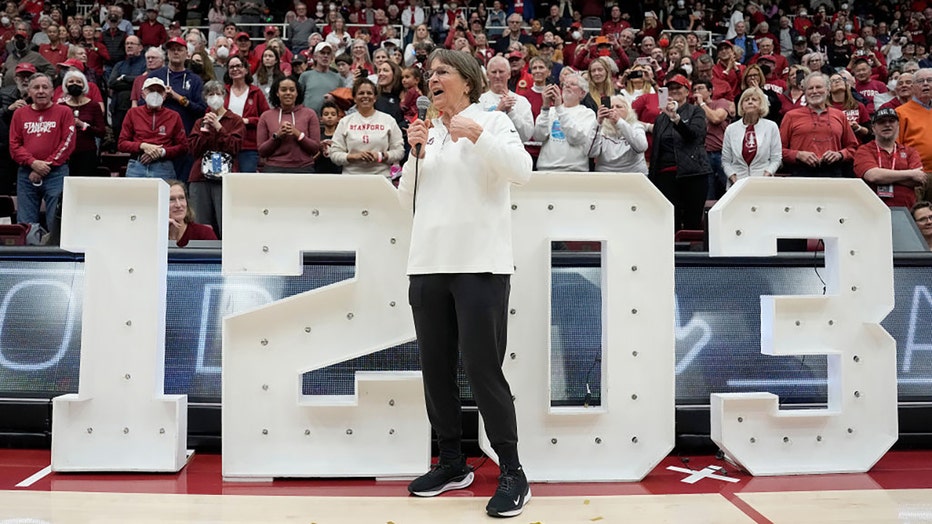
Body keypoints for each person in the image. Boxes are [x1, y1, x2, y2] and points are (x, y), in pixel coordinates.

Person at [399, 47, 532, 519]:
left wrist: (476, 135)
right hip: (428, 264)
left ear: (468, 81)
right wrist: (413, 154)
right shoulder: (427, 133)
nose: (431, 79)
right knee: (435, 370)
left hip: (481, 264)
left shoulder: (492, 121)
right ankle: (453, 462)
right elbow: (405, 198)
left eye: (442, 72)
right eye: (429, 73)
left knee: (482, 371)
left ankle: (512, 471)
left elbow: (522, 172)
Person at [8, 72, 75, 233]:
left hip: (56, 173)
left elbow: (68, 142)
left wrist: (46, 165)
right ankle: (27, 257)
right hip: (26, 173)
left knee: (57, 221)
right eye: (36, 87)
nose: (41, 91)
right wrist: (33, 163)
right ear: (28, 92)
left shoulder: (64, 112)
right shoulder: (19, 113)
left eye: (45, 87)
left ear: (53, 91)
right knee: (26, 223)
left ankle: (55, 254)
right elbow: (14, 144)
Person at [648, 74, 711, 231]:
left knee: (692, 221)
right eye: (670, 89)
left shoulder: (696, 112)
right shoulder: (661, 119)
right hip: (665, 175)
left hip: (693, 173)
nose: (674, 91)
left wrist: (676, 119)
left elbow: (695, 136)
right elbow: (656, 149)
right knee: (669, 222)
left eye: (678, 88)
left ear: (687, 91)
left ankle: (693, 254)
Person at [188, 81, 244, 237]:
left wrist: (219, 128)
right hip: (200, 178)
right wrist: (205, 130)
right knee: (200, 224)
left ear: (224, 97)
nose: (215, 98)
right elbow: (193, 150)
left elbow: (235, 147)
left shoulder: (235, 120)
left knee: (225, 223)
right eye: (210, 94)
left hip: (225, 178)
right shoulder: (199, 122)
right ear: (205, 98)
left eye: (218, 94)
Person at [780, 72, 859, 178]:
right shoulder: (791, 116)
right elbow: (778, 150)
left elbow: (853, 148)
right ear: (804, 92)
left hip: (833, 174)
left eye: (818, 87)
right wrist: (798, 155)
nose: (814, 91)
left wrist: (839, 155)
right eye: (810, 88)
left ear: (828, 90)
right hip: (800, 174)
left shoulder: (839, 115)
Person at [329, 77, 404, 178]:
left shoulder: (388, 120)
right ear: (354, 98)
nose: (365, 96)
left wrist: (380, 156)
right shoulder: (344, 122)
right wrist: (354, 157)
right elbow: (334, 153)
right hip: (351, 178)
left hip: (381, 178)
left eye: (369, 93)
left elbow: (399, 151)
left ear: (375, 97)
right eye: (361, 93)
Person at [853, 108, 926, 209]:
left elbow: (918, 179)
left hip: (906, 212)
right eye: (881, 122)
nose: (887, 125)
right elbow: (873, 176)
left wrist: (884, 176)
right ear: (873, 128)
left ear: (898, 125)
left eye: (891, 121)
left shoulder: (910, 152)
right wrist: (910, 174)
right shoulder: (864, 150)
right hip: (873, 211)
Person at [119, 77, 188, 179]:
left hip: (163, 166)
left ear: (165, 95)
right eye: (151, 90)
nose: (155, 94)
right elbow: (122, 144)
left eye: (159, 91)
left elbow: (183, 147)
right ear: (143, 94)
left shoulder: (174, 116)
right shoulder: (132, 113)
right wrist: (143, 146)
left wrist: (162, 152)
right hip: (137, 165)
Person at [535, 70, 597, 172]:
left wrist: (559, 108)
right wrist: (545, 107)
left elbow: (576, 138)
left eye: (573, 84)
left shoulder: (587, 114)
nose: (567, 86)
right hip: (545, 169)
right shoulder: (550, 111)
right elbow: (538, 136)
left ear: (582, 93)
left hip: (574, 170)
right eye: (565, 84)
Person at [722, 86, 782, 189]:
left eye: (754, 99)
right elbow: (726, 161)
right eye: (746, 100)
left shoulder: (771, 127)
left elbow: (776, 158)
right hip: (737, 184)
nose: (750, 102)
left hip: (763, 183)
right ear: (741, 105)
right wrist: (734, 179)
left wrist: (766, 176)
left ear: (761, 104)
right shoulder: (731, 129)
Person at [256, 76, 320, 173]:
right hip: (274, 168)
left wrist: (297, 134)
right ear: (277, 93)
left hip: (303, 168)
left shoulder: (310, 114)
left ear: (297, 93)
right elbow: (262, 151)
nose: (288, 93)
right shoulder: (266, 116)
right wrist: (277, 136)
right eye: (283, 90)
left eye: (292, 90)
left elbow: (315, 148)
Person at [223, 55, 269, 173]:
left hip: (248, 146)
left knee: (246, 184)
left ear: (246, 70)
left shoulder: (256, 92)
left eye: (238, 66)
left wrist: (247, 121)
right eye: (231, 67)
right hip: (225, 145)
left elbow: (267, 118)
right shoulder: (222, 92)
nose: (235, 69)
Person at [60, 70, 105, 178]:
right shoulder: (61, 106)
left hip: (87, 152)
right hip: (66, 154)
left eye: (78, 82)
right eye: (71, 81)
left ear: (84, 85)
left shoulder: (93, 105)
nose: (74, 84)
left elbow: (101, 132)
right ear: (66, 84)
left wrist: (83, 125)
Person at [896, 68, 932, 202]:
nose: (926, 84)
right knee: (917, 215)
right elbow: (896, 146)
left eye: (929, 80)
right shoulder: (901, 112)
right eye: (921, 81)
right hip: (916, 174)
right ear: (913, 87)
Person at [479, 56, 534, 143]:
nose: (497, 76)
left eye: (501, 72)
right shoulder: (479, 101)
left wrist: (511, 112)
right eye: (493, 72)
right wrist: (498, 111)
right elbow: (477, 132)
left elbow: (527, 135)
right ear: (487, 75)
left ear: (509, 74)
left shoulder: (521, 101)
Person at [589, 94, 648, 174]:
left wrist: (619, 122)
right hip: (606, 173)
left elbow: (641, 147)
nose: (614, 110)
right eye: (611, 107)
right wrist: (598, 122)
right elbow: (592, 153)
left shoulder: (636, 126)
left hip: (633, 173)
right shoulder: (600, 128)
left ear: (628, 110)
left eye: (618, 106)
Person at [109, 35, 146, 140]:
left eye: (132, 43)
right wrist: (133, 81)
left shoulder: (145, 64)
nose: (129, 46)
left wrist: (124, 77)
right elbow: (111, 83)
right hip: (118, 107)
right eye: (127, 44)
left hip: (137, 107)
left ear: (140, 47)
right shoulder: (119, 65)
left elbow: (142, 81)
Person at [168, 180, 218, 247]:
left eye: (181, 198)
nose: (178, 205)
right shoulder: (153, 235)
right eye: (171, 199)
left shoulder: (204, 233)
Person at [298, 42, 341, 114]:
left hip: (330, 120)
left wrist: (335, 99)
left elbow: (343, 101)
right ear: (315, 56)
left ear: (332, 57)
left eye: (328, 53)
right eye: (322, 53)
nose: (325, 56)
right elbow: (298, 98)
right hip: (308, 119)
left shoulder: (338, 78)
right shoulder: (305, 76)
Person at [315, 100, 343, 174]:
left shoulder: (341, 136)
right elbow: (311, 159)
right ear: (321, 118)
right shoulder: (317, 136)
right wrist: (320, 150)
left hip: (338, 173)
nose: (329, 117)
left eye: (333, 114)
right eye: (326, 114)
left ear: (338, 118)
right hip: (319, 172)